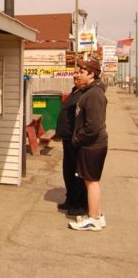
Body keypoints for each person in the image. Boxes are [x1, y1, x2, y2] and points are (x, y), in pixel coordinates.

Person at [68, 58, 108, 231]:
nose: (78, 74)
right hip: (91, 144)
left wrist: (78, 139)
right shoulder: (91, 91)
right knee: (90, 181)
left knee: (91, 182)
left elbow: (93, 126)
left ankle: (93, 219)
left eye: (82, 72)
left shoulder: (93, 94)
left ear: (91, 74)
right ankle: (97, 215)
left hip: (92, 145)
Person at [55, 70, 87, 215]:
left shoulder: (85, 94)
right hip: (67, 139)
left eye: (79, 73)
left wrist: (78, 138)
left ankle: (80, 204)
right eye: (75, 74)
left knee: (77, 173)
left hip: (76, 140)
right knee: (68, 172)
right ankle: (71, 199)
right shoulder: (76, 91)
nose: (75, 76)